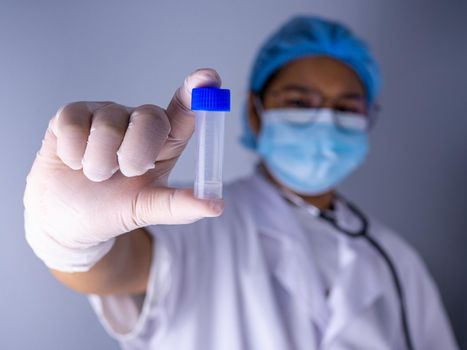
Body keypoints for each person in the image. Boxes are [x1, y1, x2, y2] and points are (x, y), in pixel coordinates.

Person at [24, 16, 459, 349]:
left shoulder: (397, 261)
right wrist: (71, 240)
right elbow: (114, 269)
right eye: (299, 101)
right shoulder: (197, 222)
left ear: (368, 120)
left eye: (347, 107)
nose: (325, 120)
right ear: (254, 112)